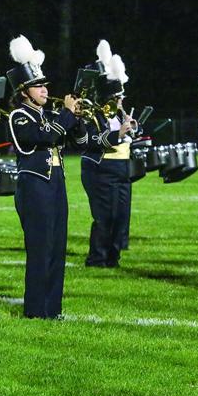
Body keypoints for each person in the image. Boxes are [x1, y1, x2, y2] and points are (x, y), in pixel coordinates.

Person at [7, 35, 82, 319]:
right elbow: (41, 137)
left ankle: (53, 308)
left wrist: (77, 117)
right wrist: (65, 115)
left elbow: (82, 140)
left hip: (56, 184)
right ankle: (36, 309)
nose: (44, 89)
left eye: (44, 85)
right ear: (25, 91)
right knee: (40, 247)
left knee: (57, 246)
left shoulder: (49, 115)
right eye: (38, 86)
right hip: (34, 186)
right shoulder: (19, 115)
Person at [79, 40, 136, 268]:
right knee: (105, 217)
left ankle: (113, 257)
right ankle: (97, 258)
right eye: (117, 98)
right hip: (99, 169)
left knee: (121, 217)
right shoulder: (92, 113)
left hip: (122, 169)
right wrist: (117, 134)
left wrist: (133, 127)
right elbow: (91, 140)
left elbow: (132, 133)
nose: (120, 101)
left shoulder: (120, 114)